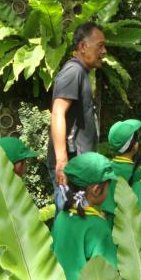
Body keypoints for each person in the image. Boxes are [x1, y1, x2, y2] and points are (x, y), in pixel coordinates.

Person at [47, 22, 107, 195]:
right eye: (100, 46)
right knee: (70, 210)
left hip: (78, 166)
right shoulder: (73, 72)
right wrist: (62, 161)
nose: (104, 51)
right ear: (82, 47)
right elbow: (57, 112)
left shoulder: (81, 72)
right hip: (71, 167)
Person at [51, 152, 118, 280]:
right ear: (96, 189)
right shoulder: (98, 226)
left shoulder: (62, 216)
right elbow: (108, 274)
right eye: (108, 186)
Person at [101, 119, 141, 229]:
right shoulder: (136, 172)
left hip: (105, 221)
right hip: (125, 224)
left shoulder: (106, 168)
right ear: (135, 145)